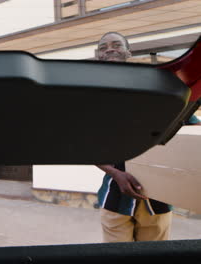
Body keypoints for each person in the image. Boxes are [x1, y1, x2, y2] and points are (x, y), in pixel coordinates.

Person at [95, 32, 173, 243]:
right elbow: (86, 143)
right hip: (114, 200)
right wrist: (115, 173)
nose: (110, 49)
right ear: (97, 56)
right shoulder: (92, 96)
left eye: (116, 45)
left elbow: (189, 124)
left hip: (159, 200)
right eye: (103, 47)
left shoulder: (154, 86)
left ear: (128, 52)